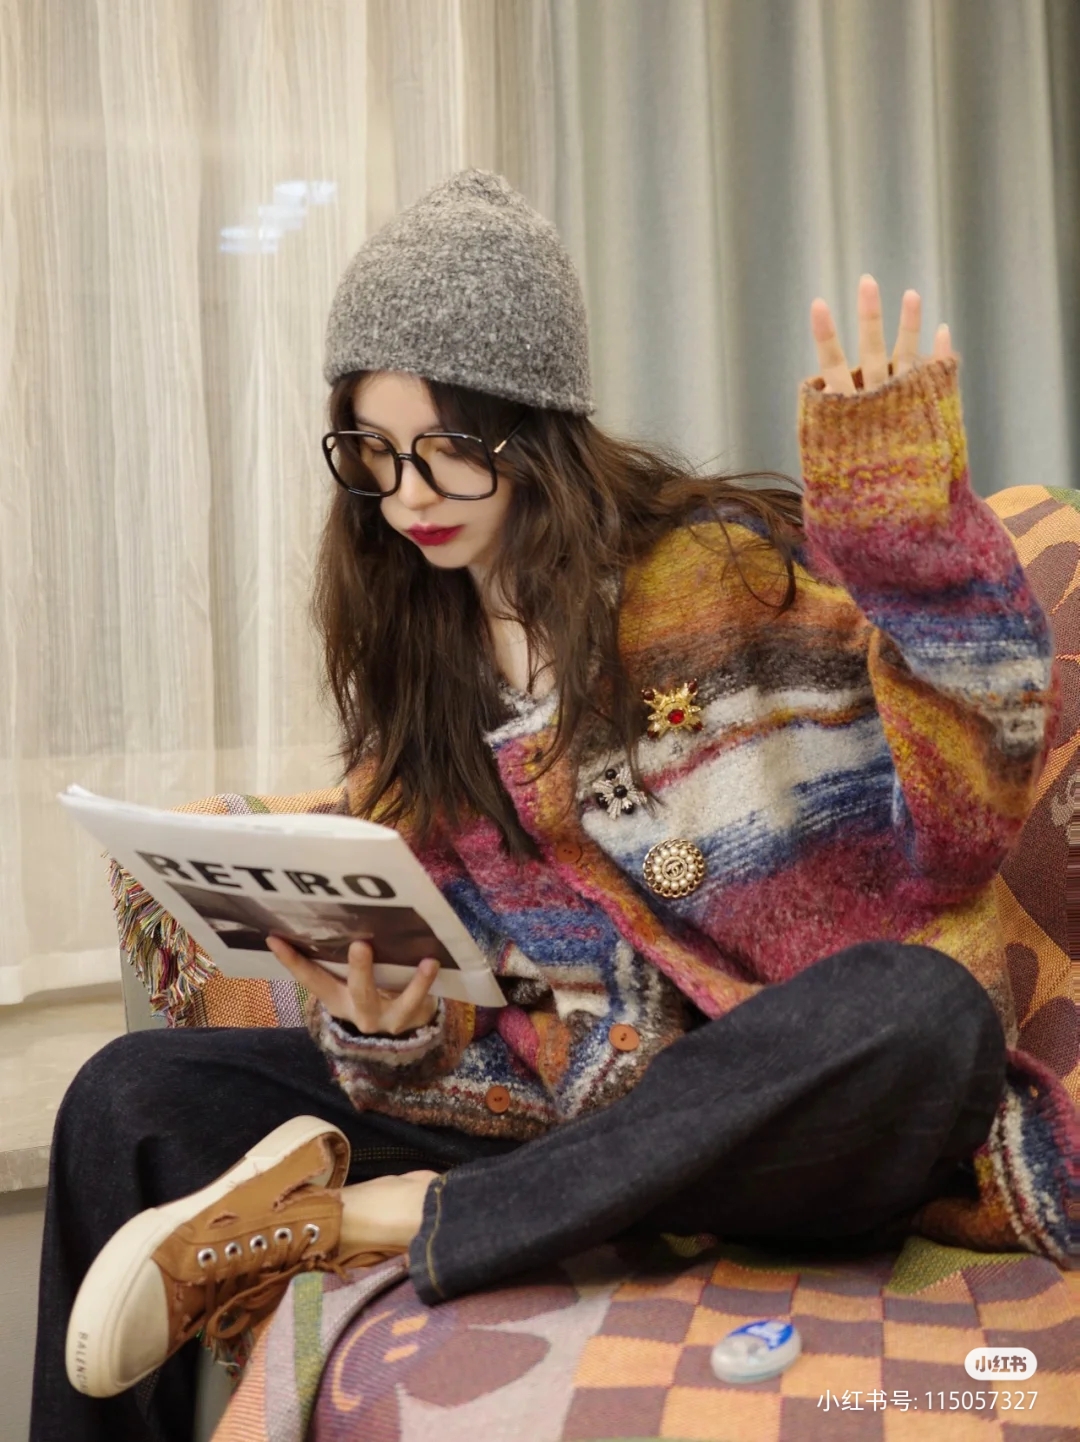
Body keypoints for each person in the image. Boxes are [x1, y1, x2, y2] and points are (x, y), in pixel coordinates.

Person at [32, 171, 1068, 1442]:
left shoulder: (726, 574)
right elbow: (488, 1013)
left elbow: (966, 817)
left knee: (923, 1009)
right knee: (130, 1093)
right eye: (372, 451)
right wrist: (390, 1027)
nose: (409, 494)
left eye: (447, 448)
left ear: (536, 429)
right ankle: (503, 1204)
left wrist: (909, 538)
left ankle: (389, 1216)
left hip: (807, 1112)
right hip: (561, 1118)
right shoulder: (421, 669)